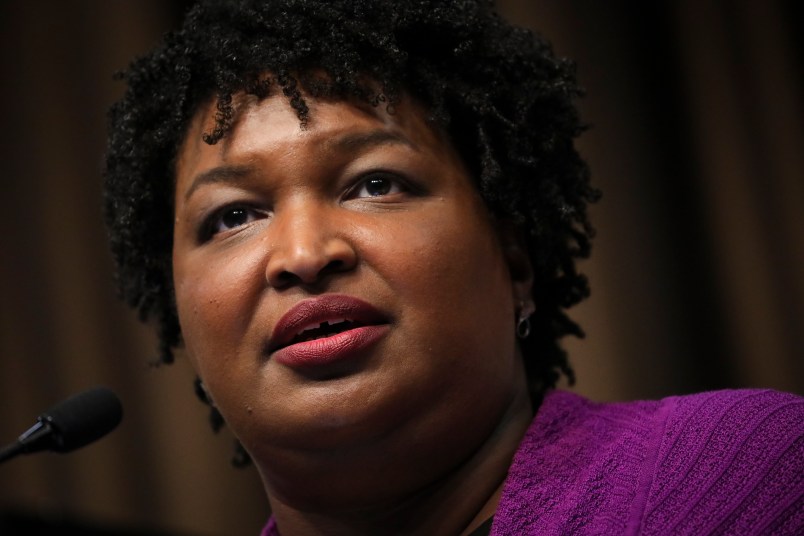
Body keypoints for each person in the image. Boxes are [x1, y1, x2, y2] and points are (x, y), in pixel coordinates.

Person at [103, 1, 804, 534]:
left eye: (375, 183)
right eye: (232, 217)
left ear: (514, 257)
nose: (305, 255)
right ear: (183, 309)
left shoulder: (743, 474)